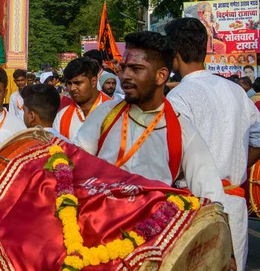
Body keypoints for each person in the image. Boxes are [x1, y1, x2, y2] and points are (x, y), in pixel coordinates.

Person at [74, 31, 226, 228]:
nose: (125, 76)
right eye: (124, 67)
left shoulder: (183, 132)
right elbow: (74, 162)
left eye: (136, 68)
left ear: (161, 75)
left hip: (151, 239)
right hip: (95, 227)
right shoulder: (104, 114)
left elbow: (211, 198)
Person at [165, 18, 260, 270]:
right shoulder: (235, 91)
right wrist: (236, 165)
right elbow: (259, 138)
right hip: (233, 203)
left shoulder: (178, 97)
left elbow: (172, 155)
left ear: (174, 54)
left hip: (197, 205)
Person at [52, 57, 110, 140]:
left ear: (93, 82)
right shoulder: (61, 117)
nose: (72, 88)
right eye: (69, 83)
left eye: (77, 83)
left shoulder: (113, 111)